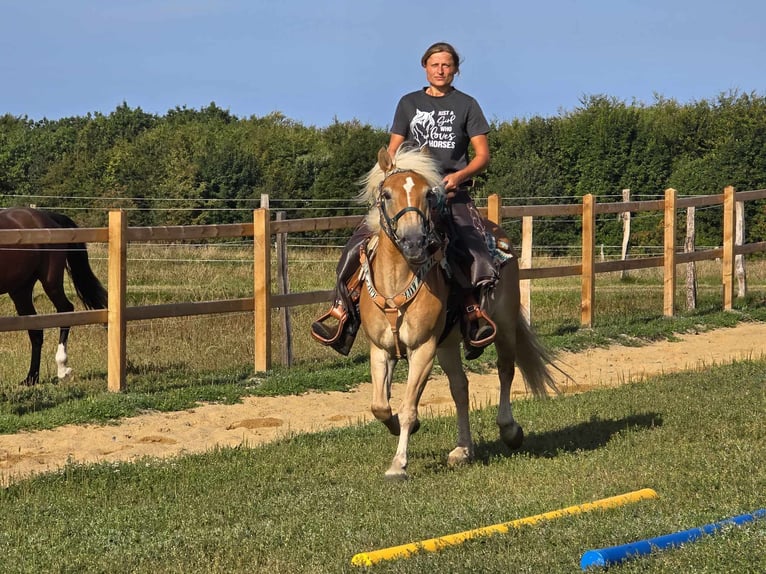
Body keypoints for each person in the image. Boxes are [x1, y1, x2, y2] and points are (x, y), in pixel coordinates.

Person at [311, 41, 497, 359]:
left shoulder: (467, 105)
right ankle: (342, 312)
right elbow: (393, 149)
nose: (441, 70)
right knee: (356, 247)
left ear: (456, 70)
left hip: (449, 194)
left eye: (447, 65)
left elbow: (483, 155)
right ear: (425, 67)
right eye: (435, 64)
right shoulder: (408, 103)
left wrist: (459, 176)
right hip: (407, 193)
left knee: (474, 252)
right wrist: (389, 181)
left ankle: (472, 315)